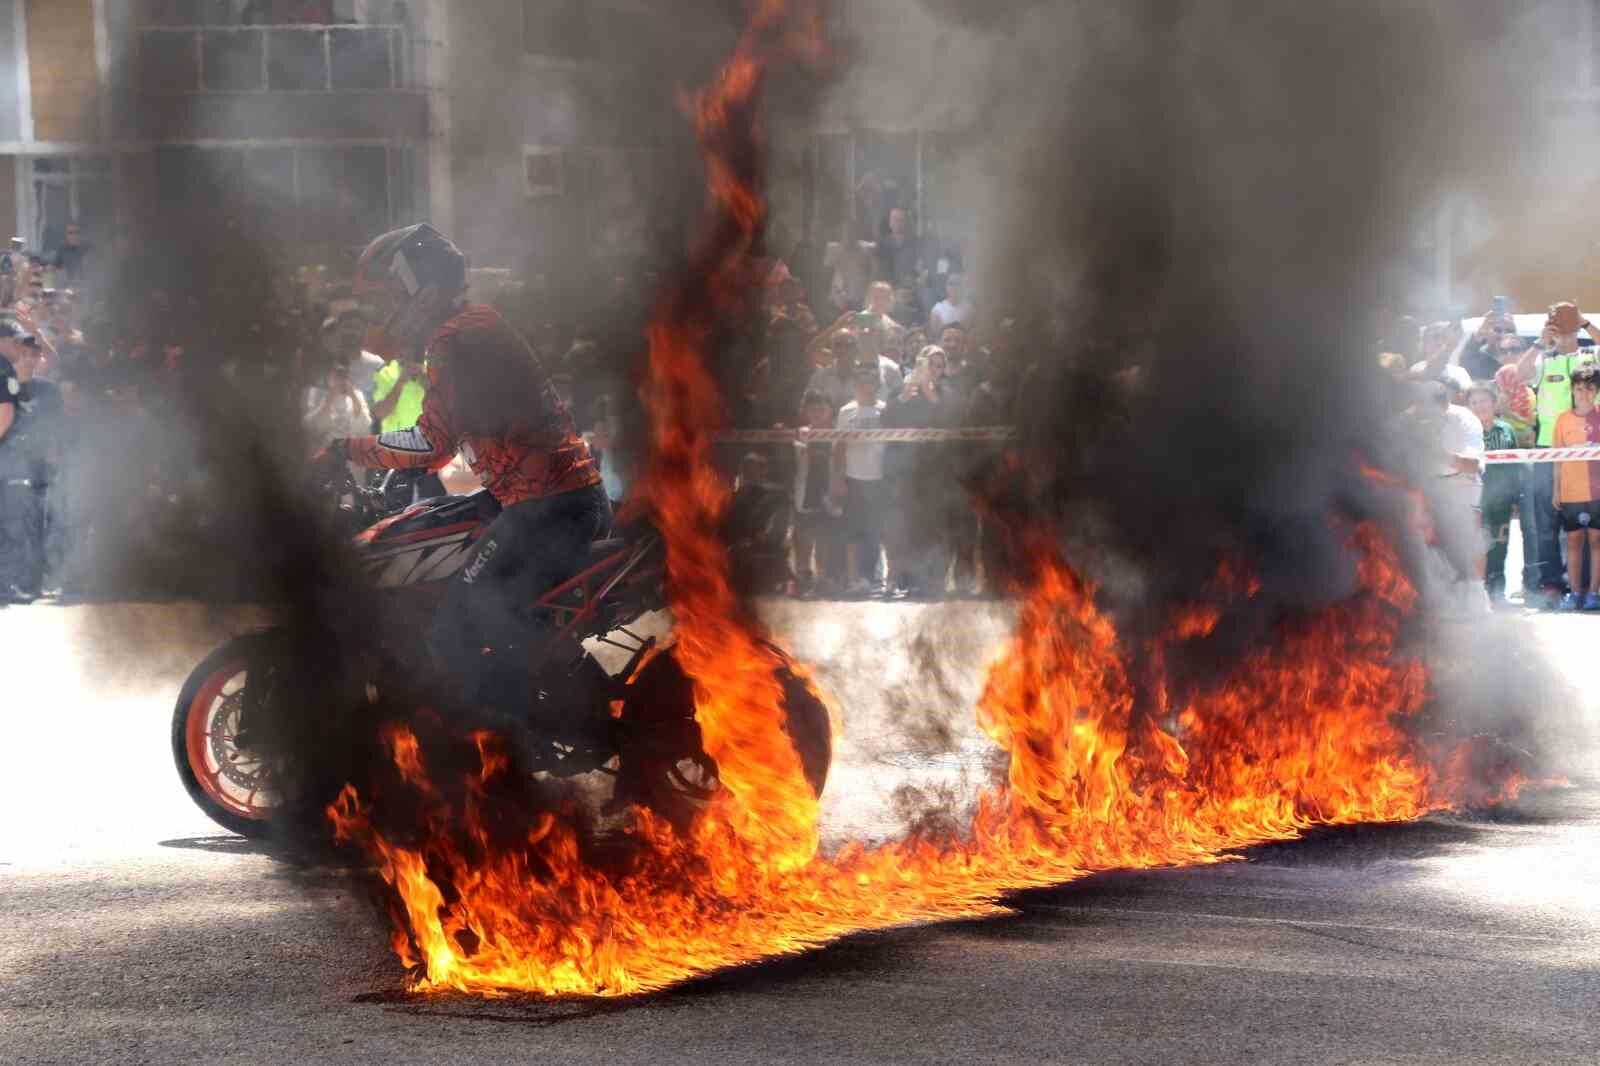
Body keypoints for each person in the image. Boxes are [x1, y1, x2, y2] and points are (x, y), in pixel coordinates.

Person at [322, 225, 609, 727]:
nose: (386, 312)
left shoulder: (456, 340)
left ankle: (519, 745)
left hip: (546, 505)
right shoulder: (473, 325)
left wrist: (346, 450)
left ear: (421, 291)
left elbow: (431, 444)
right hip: (545, 499)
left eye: (391, 297)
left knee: (456, 627)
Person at [1514, 302, 1600, 602]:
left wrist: (1586, 323)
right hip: (1548, 449)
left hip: (1586, 451)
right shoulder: (1544, 359)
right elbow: (1519, 375)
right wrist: (1541, 342)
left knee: (1587, 521)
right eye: (1558, 320)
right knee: (1547, 519)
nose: (1563, 327)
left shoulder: (1590, 357)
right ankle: (1552, 583)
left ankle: (1586, 585)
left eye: (1567, 320)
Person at [1414, 380, 1488, 613]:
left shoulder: (1465, 419)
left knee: (1469, 536)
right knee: (1427, 536)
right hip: (1429, 483)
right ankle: (1441, 597)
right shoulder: (1410, 419)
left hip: (1462, 481)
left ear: (1446, 404)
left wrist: (1440, 454)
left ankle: (1477, 595)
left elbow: (1473, 465)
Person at [0, 324, 56, 602]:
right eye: (21, 349)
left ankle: (27, 582)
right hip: (9, 462)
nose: (26, 356)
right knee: (10, 523)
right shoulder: (4, 378)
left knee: (31, 523)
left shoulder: (47, 389)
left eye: (33, 352)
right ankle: (8, 583)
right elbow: (5, 416)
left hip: (34, 464)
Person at [832, 365, 888, 597]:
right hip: (854, 477)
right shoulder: (846, 411)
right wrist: (838, 478)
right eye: (863, 382)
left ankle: (869, 578)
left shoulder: (884, 409)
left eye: (872, 382)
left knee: (874, 531)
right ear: (855, 385)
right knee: (853, 530)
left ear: (878, 385)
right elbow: (838, 447)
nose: (868, 386)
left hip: (879, 478)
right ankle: (853, 578)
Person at [1549, 367, 1600, 610]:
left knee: (1597, 541)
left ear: (1597, 390)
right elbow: (1557, 458)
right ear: (1572, 390)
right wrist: (1557, 490)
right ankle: (1575, 592)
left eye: (1590, 388)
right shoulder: (1563, 419)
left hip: (1598, 492)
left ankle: (1593, 593)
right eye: (1579, 388)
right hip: (1571, 491)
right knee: (1572, 541)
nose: (1584, 394)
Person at [1467, 384, 1520, 605]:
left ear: (1494, 402)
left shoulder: (1506, 429)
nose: (1480, 406)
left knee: (1500, 543)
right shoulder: (1467, 432)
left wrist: (1516, 497)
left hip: (1503, 498)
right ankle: (1480, 593)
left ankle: (1498, 591)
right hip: (1476, 498)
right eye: (1474, 402)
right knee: (1479, 544)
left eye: (1484, 401)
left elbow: (1515, 464)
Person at [789, 390, 840, 597]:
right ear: (806, 412)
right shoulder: (800, 433)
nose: (818, 412)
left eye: (822, 408)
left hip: (828, 491)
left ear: (830, 411)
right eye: (813, 408)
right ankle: (802, 580)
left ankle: (823, 579)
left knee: (824, 539)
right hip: (805, 491)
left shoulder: (837, 435)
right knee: (804, 539)